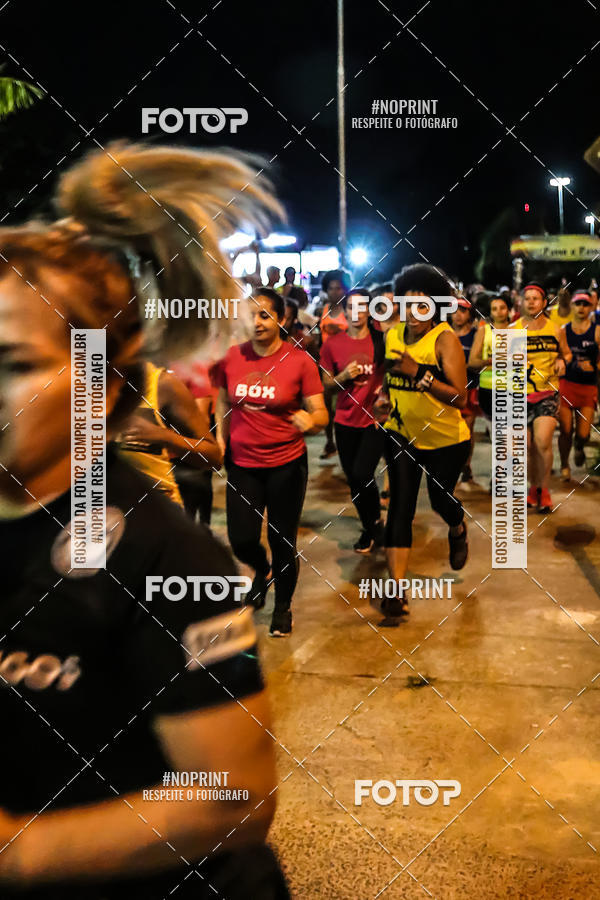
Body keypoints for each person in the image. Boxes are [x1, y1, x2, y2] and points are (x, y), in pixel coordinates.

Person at [0, 142, 290, 899]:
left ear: (97, 386)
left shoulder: (174, 558)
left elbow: (234, 801)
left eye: (15, 366)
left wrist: (18, 853)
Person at [216, 288, 327, 637]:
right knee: (241, 539)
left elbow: (321, 411)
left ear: (282, 319)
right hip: (243, 464)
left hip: (286, 465)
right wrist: (221, 438)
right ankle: (260, 570)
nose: (257, 322)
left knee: (282, 540)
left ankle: (282, 607)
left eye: (264, 315)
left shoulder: (299, 361)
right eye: (250, 315)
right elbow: (222, 401)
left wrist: (313, 421)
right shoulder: (232, 357)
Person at [373, 264, 470, 622]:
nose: (413, 313)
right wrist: (384, 397)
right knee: (400, 507)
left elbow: (460, 398)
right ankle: (396, 591)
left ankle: (457, 526)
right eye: (407, 304)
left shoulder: (445, 339)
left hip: (446, 440)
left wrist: (419, 374)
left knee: (441, 501)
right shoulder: (392, 335)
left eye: (422, 305)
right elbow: (389, 377)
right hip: (401, 434)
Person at [320, 289, 385, 553]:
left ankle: (375, 525)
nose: (357, 311)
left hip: (375, 422)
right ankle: (371, 526)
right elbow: (326, 384)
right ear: (344, 311)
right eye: (351, 306)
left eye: (362, 306)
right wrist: (344, 375)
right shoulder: (332, 344)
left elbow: (394, 374)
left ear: (369, 311)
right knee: (354, 481)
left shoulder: (382, 341)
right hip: (345, 421)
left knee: (363, 473)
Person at [118, 361, 222, 507]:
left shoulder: (161, 384)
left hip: (154, 511)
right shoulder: (79, 382)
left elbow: (214, 457)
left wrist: (164, 436)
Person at [513, 282, 571, 513]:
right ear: (521, 302)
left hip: (547, 392)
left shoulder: (556, 329)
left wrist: (561, 360)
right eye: (527, 298)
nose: (531, 302)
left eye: (536, 298)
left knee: (542, 442)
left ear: (544, 302)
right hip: (519, 394)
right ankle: (533, 487)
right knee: (525, 447)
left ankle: (544, 490)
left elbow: (565, 352)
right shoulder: (512, 329)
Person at [558, 290, 600, 480]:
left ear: (591, 307)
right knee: (566, 430)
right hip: (567, 384)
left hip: (588, 387)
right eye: (578, 304)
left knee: (583, 434)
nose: (581, 308)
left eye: (585, 304)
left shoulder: (597, 331)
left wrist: (594, 365)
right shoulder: (563, 330)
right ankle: (564, 464)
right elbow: (558, 356)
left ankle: (579, 446)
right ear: (572, 306)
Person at [318, 268, 352, 458]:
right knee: (326, 407)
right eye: (331, 288)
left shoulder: (349, 311)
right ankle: (330, 442)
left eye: (338, 288)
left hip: (346, 363)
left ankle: (346, 445)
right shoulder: (323, 309)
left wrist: (338, 331)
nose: (334, 292)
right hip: (326, 364)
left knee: (343, 407)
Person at [469, 293, 513, 421]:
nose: (499, 312)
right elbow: (472, 362)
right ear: (490, 312)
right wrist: (490, 361)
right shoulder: (484, 330)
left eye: (502, 308)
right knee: (498, 432)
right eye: (494, 309)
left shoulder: (517, 329)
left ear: (509, 309)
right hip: (488, 388)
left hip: (511, 388)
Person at [450, 298, 479, 484]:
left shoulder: (476, 335)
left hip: (470, 389)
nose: (458, 315)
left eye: (463, 311)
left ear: (470, 314)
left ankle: (465, 464)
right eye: (455, 310)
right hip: (447, 389)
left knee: (466, 431)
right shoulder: (444, 333)